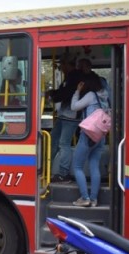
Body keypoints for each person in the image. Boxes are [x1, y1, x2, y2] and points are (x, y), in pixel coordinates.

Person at [70, 73, 108, 207]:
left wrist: (77, 91)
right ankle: (93, 199)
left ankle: (85, 198)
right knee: (94, 165)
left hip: (88, 134)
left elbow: (74, 107)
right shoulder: (105, 96)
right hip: (101, 136)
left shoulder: (91, 95)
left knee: (78, 166)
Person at [47, 53, 82, 183]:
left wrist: (54, 96)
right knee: (53, 140)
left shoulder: (74, 77)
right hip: (64, 114)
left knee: (63, 143)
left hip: (71, 115)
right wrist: (54, 94)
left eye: (62, 64)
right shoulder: (69, 76)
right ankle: (47, 169)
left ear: (68, 65)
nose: (60, 67)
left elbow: (65, 93)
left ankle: (63, 173)